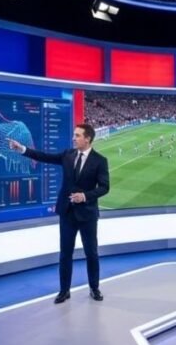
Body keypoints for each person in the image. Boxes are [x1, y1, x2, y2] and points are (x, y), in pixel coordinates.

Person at [9, 124, 110, 303]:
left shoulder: (100, 160)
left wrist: (85, 196)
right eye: (74, 135)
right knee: (65, 254)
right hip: (67, 213)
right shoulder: (67, 155)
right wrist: (22, 149)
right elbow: (44, 157)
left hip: (87, 216)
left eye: (77, 135)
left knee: (91, 254)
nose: (73, 138)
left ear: (87, 139)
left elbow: (104, 187)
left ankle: (94, 288)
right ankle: (64, 291)